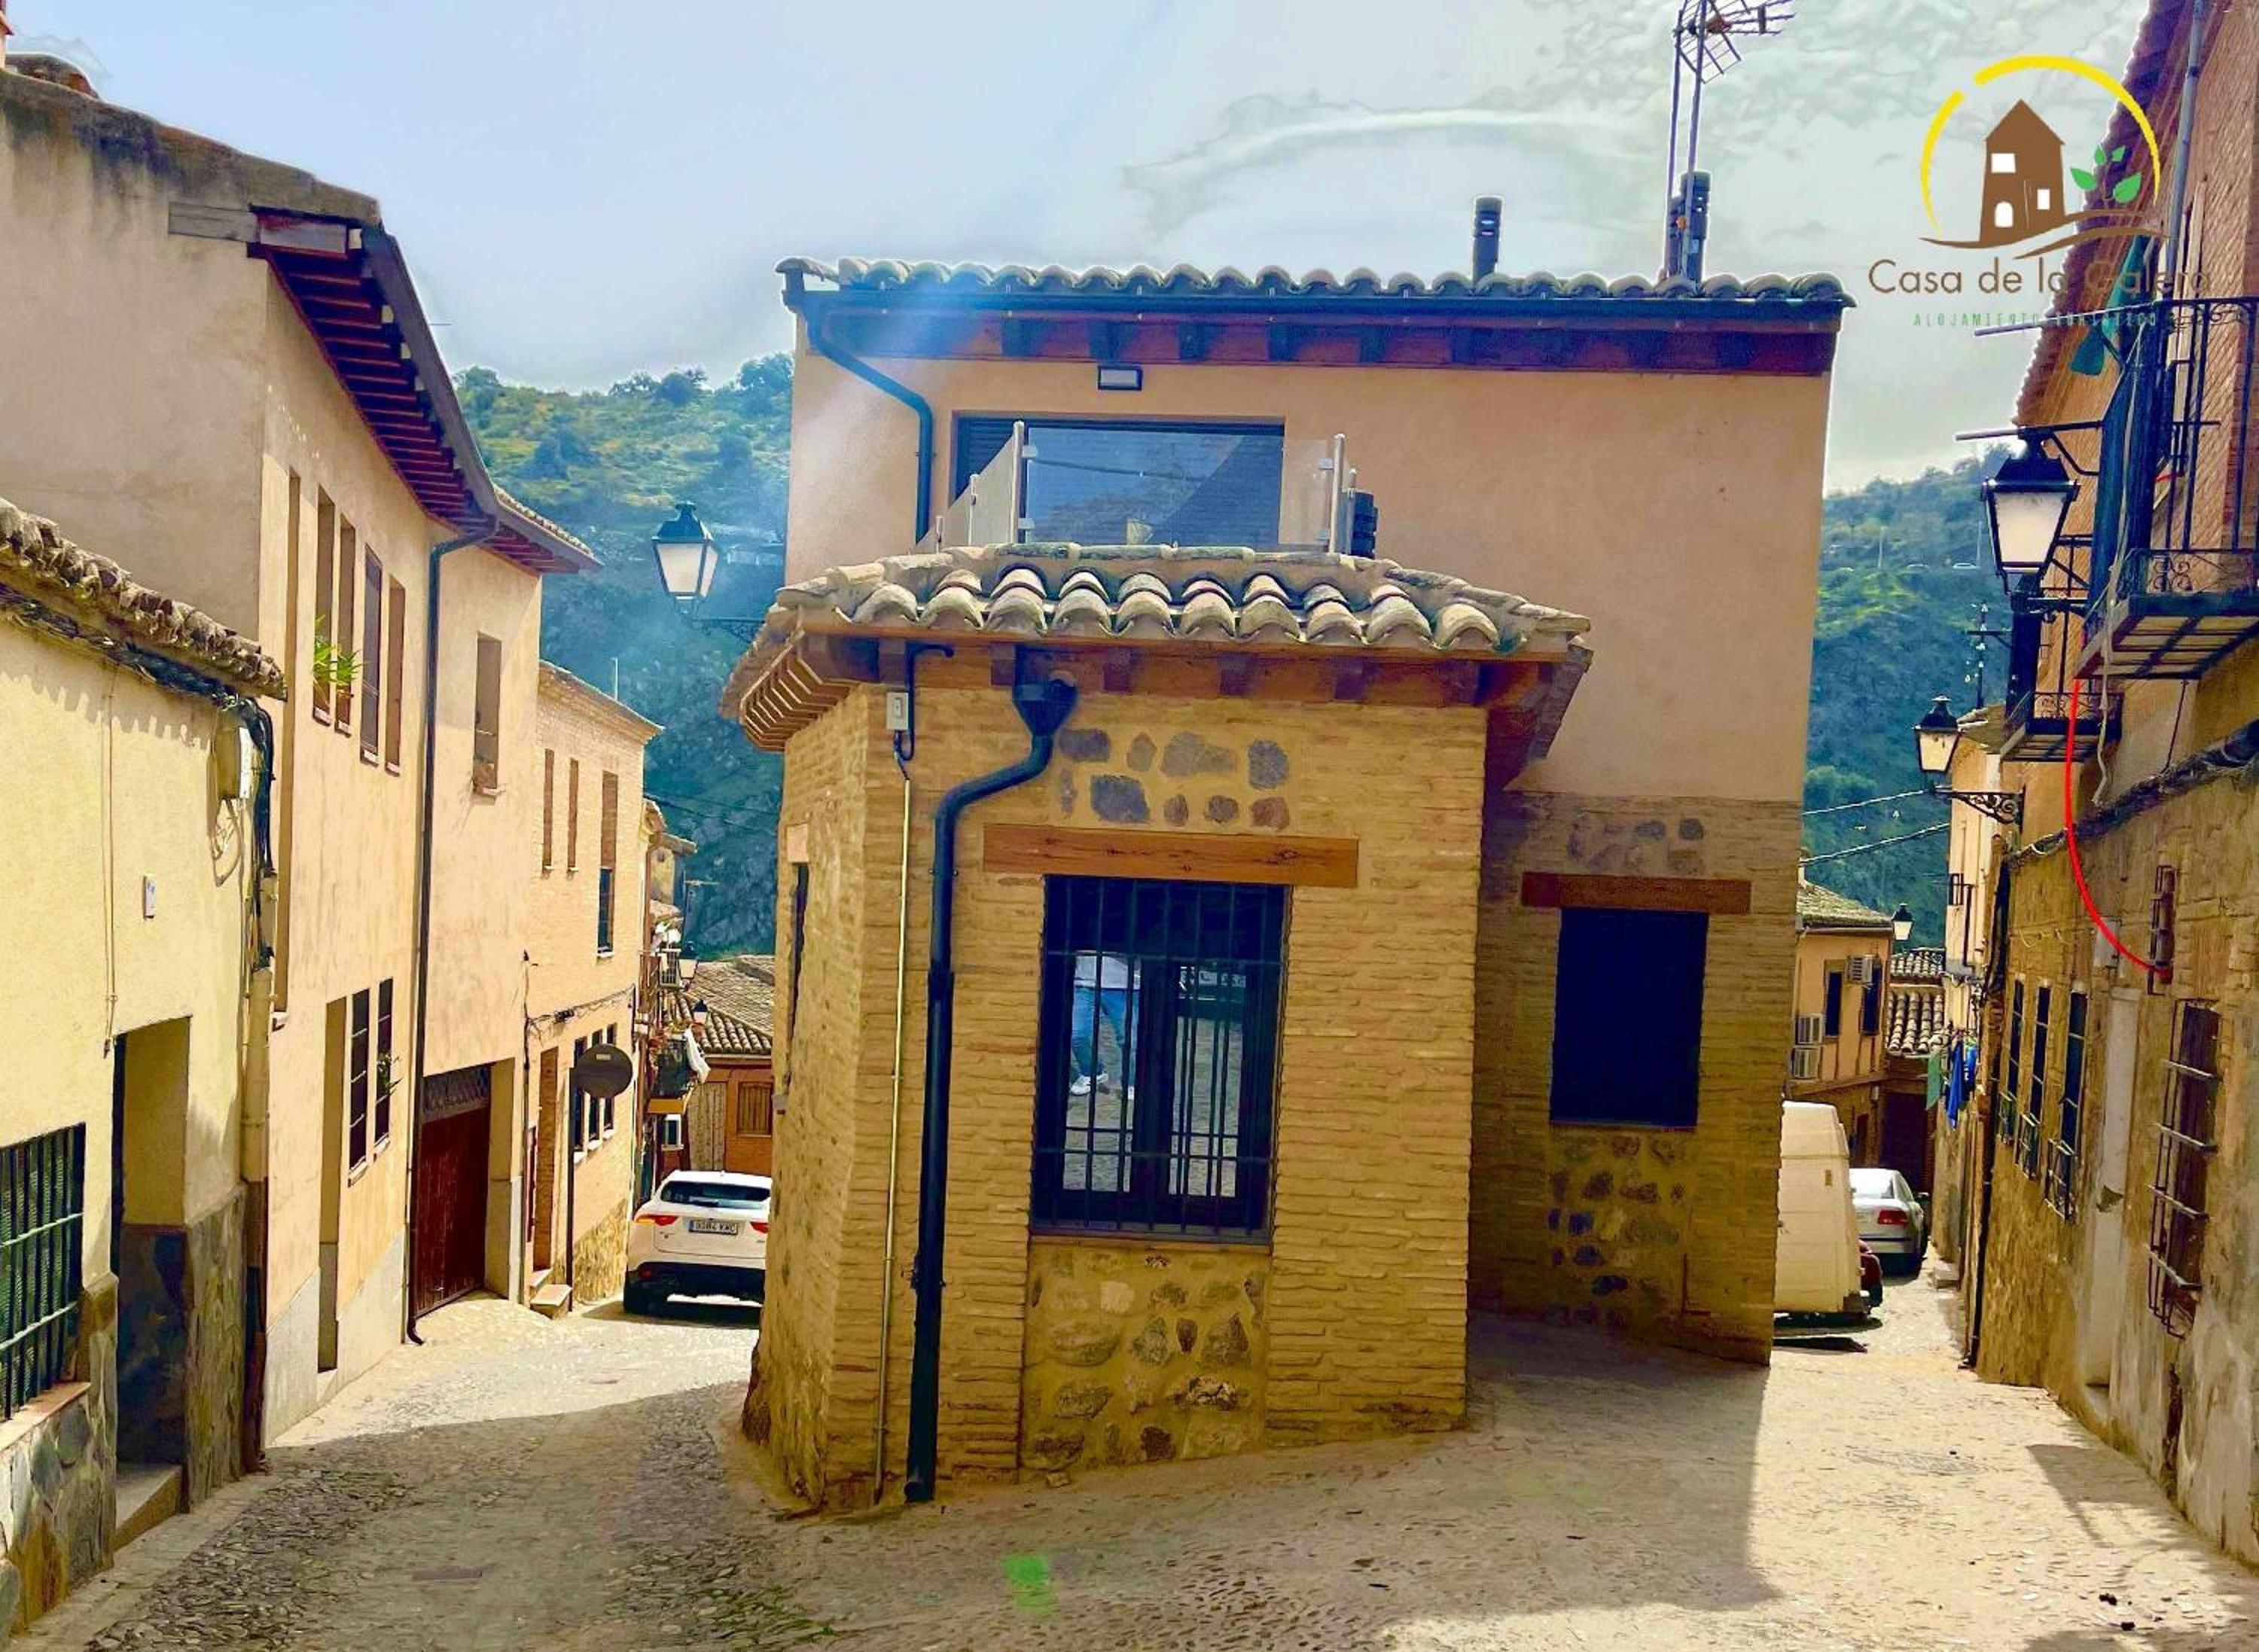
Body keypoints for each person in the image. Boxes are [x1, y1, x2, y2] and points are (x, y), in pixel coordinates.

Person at [1069, 950, 1134, 1097]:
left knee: (1129, 1039)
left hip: (1125, 984)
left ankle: (1132, 1082)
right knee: (1077, 1034)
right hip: (1084, 983)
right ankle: (1092, 1073)